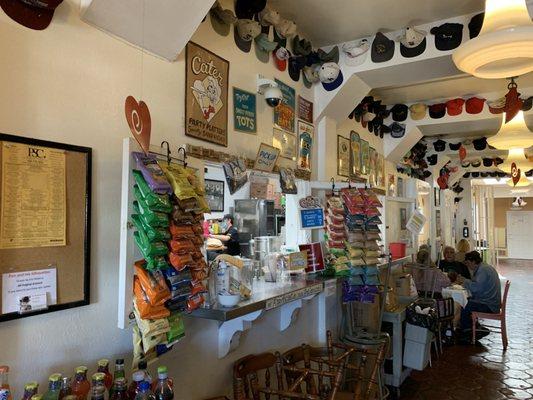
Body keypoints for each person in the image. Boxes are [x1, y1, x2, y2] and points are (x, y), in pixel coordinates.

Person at [458, 251, 501, 340]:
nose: (467, 265)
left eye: (468, 263)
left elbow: (476, 289)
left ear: (473, 261)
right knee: (468, 301)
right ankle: (475, 327)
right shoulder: (484, 267)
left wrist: (464, 281)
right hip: (492, 302)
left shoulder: (483, 270)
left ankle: (467, 332)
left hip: (489, 305)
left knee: (465, 305)